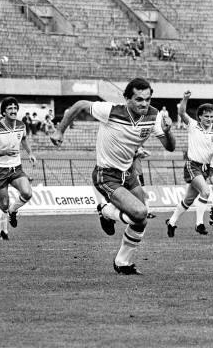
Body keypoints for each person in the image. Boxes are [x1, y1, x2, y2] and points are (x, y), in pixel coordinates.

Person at [50, 77, 175, 275]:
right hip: (106, 174)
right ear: (127, 99)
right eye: (139, 99)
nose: (144, 104)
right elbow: (80, 104)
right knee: (140, 213)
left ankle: (122, 262)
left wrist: (168, 132)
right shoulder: (111, 111)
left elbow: (170, 148)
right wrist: (59, 131)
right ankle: (106, 211)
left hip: (128, 172)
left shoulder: (154, 115)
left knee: (141, 218)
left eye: (148, 99)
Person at [166, 92, 213, 237]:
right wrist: (185, 98)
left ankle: (172, 222)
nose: (209, 119)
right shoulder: (193, 125)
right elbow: (181, 112)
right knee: (206, 192)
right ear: (199, 116)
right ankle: (199, 224)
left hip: (205, 168)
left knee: (188, 199)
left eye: (211, 116)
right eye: (206, 116)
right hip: (192, 165)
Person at [0, 97, 36, 241]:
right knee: (4, 203)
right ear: (4, 112)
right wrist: (4, 152)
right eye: (10, 108)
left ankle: (13, 211)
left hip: (16, 167)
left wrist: (30, 153)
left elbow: (24, 139)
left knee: (27, 193)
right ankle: (4, 233)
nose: (13, 111)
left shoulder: (21, 125)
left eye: (15, 108)